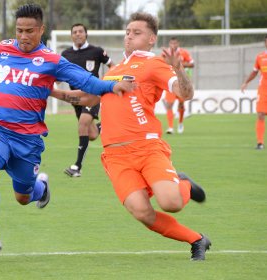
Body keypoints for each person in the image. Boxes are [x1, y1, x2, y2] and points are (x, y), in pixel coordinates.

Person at [0, 3, 134, 258]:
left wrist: (111, 87)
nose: (23, 36)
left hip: (28, 138)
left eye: (29, 31)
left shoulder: (52, 61)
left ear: (41, 30)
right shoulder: (5, 48)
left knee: (23, 196)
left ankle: (41, 187)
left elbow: (84, 80)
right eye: (19, 30)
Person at [69, 12, 211, 261]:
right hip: (114, 155)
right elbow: (89, 97)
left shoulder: (154, 63)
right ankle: (197, 240)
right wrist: (50, 92)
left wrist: (178, 69)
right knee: (142, 212)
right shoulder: (116, 70)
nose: (129, 36)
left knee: (171, 203)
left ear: (151, 39)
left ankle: (184, 184)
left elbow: (184, 93)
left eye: (137, 32)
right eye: (127, 32)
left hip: (146, 148)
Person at [61, 23, 114, 177]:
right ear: (71, 35)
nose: (78, 34)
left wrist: (106, 83)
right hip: (76, 98)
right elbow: (57, 76)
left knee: (83, 123)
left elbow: (113, 66)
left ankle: (77, 167)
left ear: (86, 34)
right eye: (75, 32)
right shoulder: (66, 54)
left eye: (80, 31)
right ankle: (104, 126)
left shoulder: (96, 51)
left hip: (93, 95)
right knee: (91, 134)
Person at [163, 37, 194, 134]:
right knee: (169, 104)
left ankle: (180, 123)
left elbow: (192, 64)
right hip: (170, 81)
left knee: (181, 105)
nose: (173, 45)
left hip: (181, 82)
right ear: (169, 44)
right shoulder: (165, 53)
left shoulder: (184, 53)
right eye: (171, 43)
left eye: (175, 43)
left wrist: (178, 64)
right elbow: (161, 65)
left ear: (178, 44)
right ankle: (170, 127)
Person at [241, 35, 267, 150]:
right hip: (263, 89)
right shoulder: (260, 57)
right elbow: (254, 72)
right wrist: (246, 82)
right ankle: (260, 143)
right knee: (261, 114)